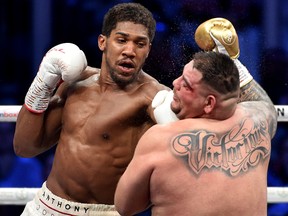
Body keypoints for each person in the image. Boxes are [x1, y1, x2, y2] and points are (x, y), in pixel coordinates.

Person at [13, 3, 177, 216]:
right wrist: (42, 83)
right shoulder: (73, 83)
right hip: (46, 207)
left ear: (148, 50)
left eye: (140, 44)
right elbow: (25, 148)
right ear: (103, 42)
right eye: (121, 40)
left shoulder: (153, 98)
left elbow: (191, 149)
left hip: (104, 211)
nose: (129, 51)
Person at [114, 18, 278, 216]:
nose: (175, 83)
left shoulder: (160, 138)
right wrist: (231, 61)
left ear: (209, 103)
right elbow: (263, 104)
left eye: (186, 85)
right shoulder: (256, 123)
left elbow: (125, 206)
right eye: (181, 76)